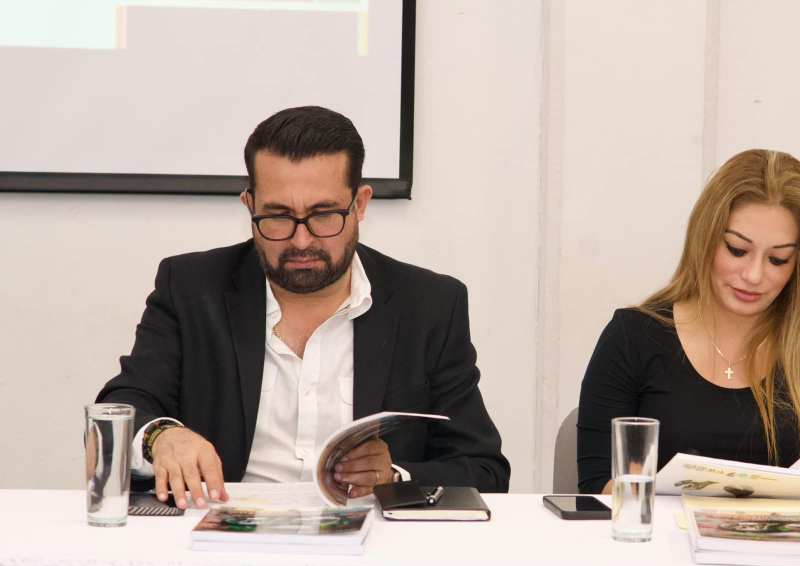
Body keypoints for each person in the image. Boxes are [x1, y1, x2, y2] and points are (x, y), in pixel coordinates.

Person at [98, 106, 509, 508]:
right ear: (249, 205)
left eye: (323, 214)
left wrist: (393, 478)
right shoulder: (191, 288)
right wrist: (161, 437)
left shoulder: (429, 305)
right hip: (223, 536)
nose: (301, 241)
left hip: (373, 544)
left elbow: (484, 469)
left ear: (360, 204)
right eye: (277, 216)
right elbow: (122, 407)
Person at [577, 149, 800, 501]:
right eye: (737, 250)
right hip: (664, 538)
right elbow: (597, 484)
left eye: (778, 259)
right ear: (705, 239)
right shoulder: (633, 336)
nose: (754, 275)